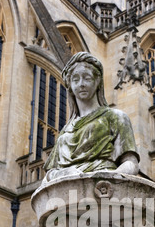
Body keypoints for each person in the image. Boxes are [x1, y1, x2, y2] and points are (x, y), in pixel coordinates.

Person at [44, 51, 140, 179]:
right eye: (75, 79)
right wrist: (65, 173)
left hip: (104, 189)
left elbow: (131, 163)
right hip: (67, 189)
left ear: (97, 81)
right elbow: (49, 174)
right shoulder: (65, 131)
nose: (81, 84)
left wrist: (108, 176)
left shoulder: (116, 117)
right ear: (70, 86)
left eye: (87, 78)